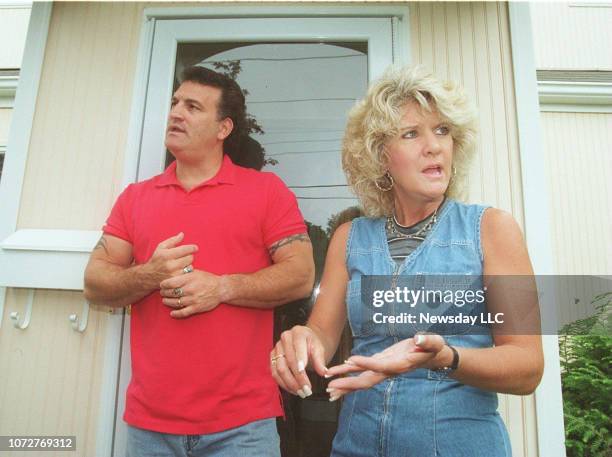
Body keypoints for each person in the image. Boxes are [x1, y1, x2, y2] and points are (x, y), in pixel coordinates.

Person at [270, 66, 544, 457]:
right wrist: (299, 340)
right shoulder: (350, 237)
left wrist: (446, 357)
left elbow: (527, 366)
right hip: (356, 445)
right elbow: (322, 335)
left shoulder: (491, 229)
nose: (434, 146)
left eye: (443, 130)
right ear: (381, 156)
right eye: (412, 133)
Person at [84, 66, 314, 457]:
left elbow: (300, 276)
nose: (176, 113)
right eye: (175, 103)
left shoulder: (265, 192)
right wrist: (151, 273)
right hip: (150, 428)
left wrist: (221, 287)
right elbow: (94, 283)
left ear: (223, 128)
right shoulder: (136, 197)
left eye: (192, 107)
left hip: (243, 428)